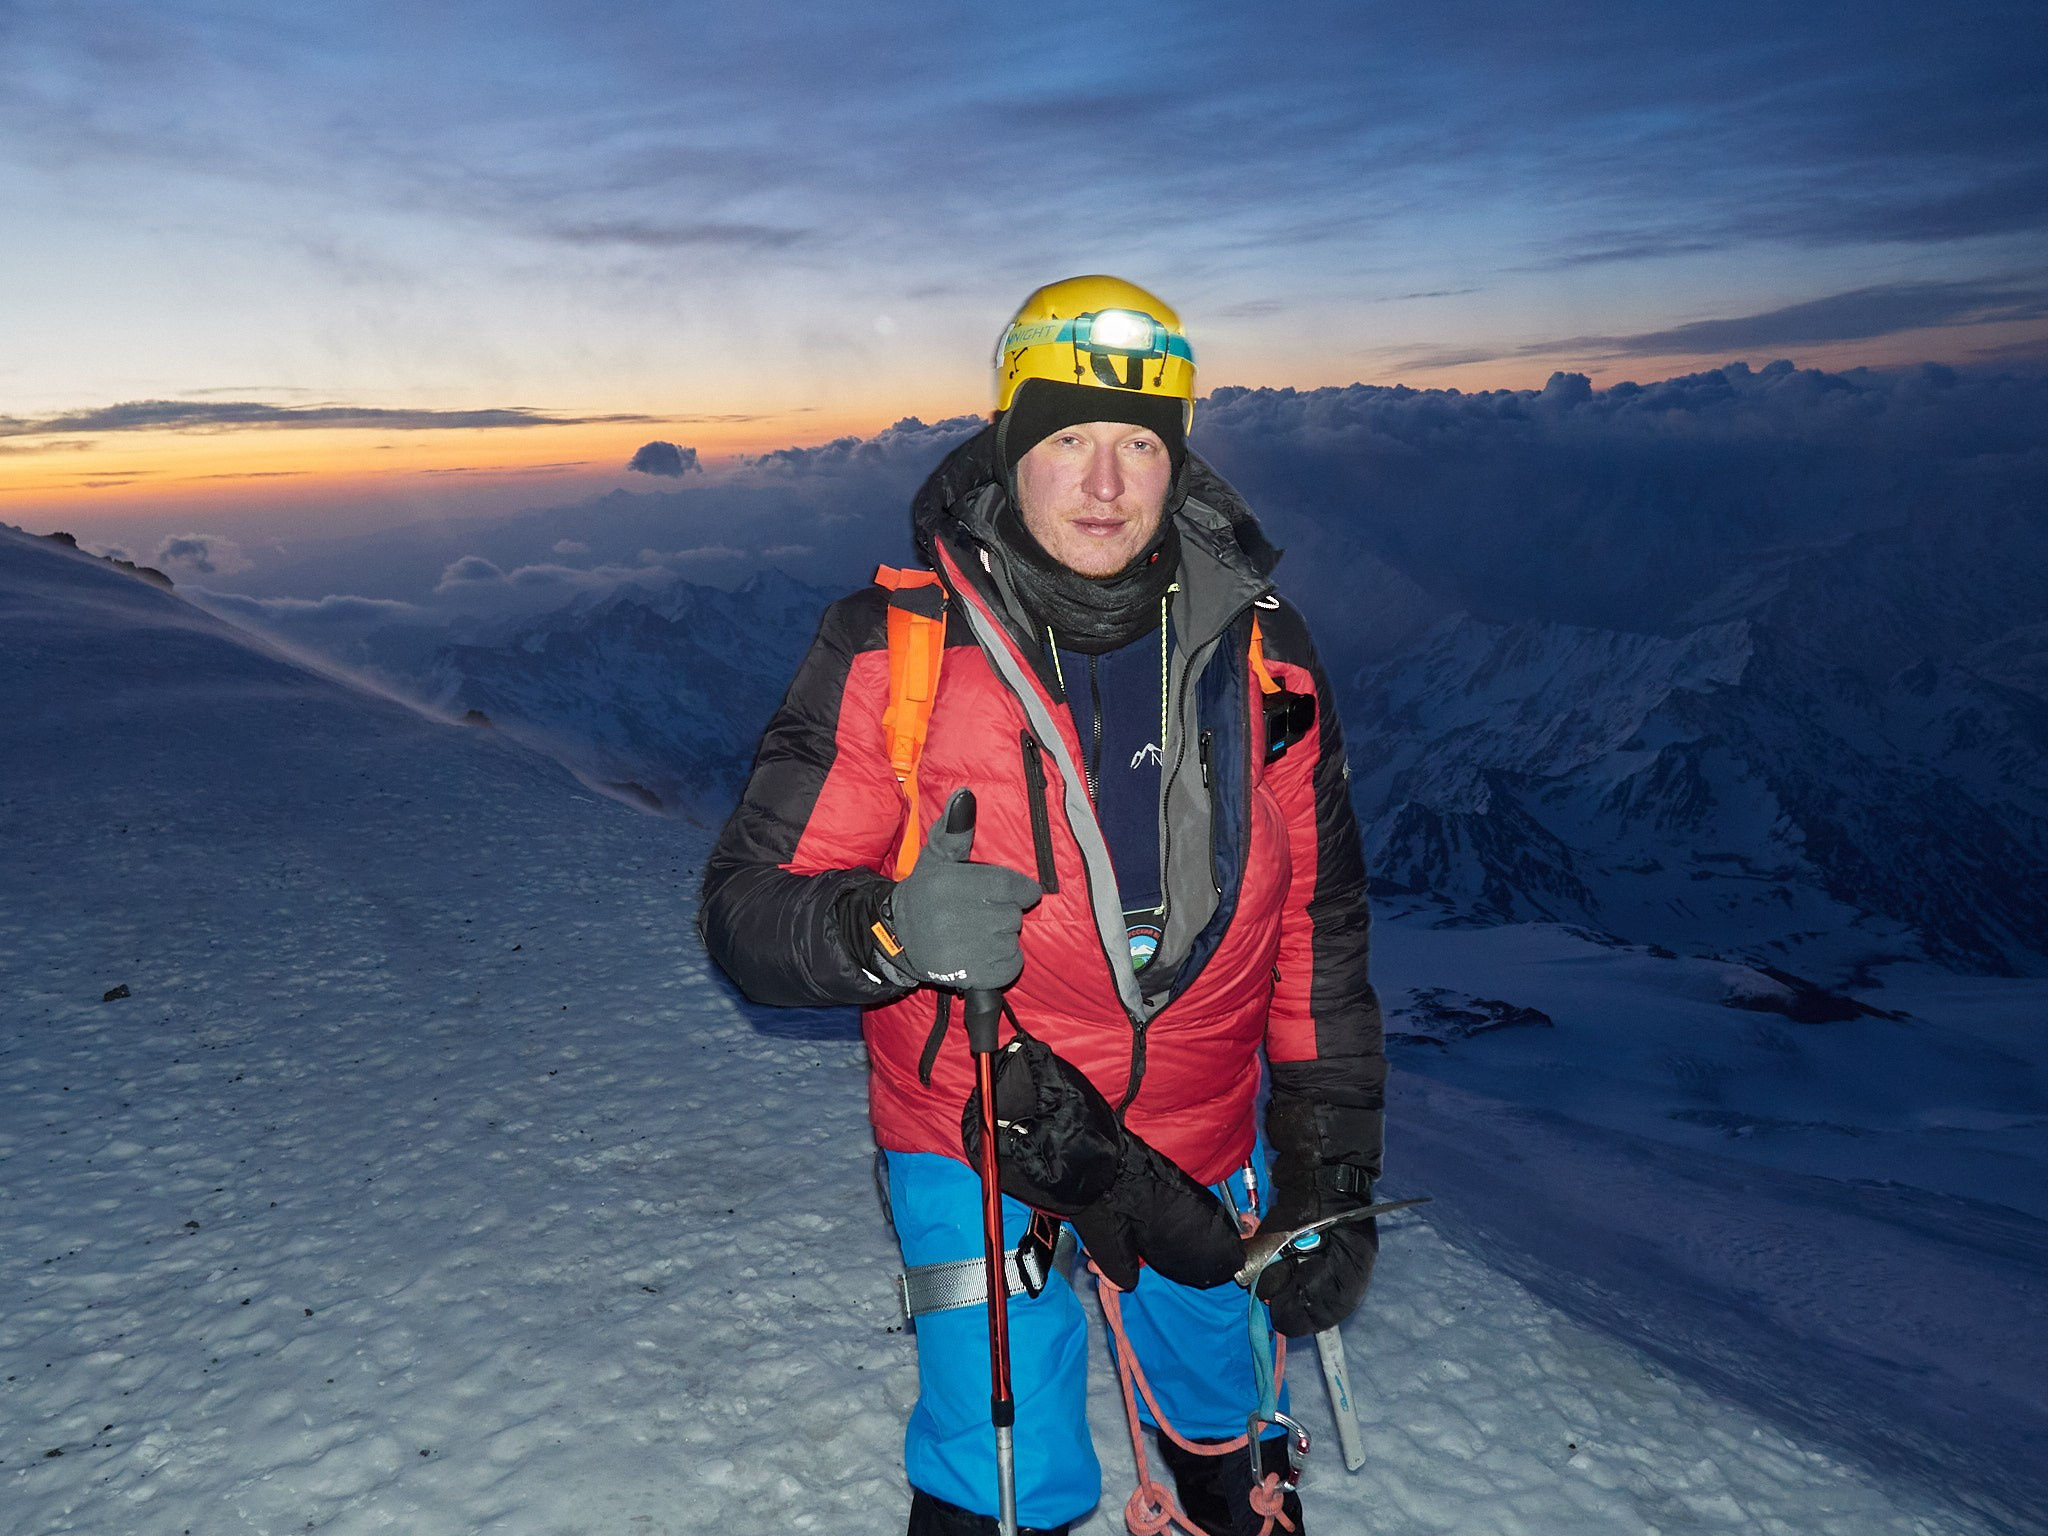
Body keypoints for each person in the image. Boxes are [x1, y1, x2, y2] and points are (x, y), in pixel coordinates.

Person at [701, 276, 1386, 1536]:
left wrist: (1329, 1164)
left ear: (1176, 460)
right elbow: (745, 911)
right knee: (992, 1466)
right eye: (1067, 438)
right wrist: (888, 934)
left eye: (1137, 442)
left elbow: (1315, 935)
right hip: (974, 1120)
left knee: (1218, 1421)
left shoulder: (1266, 658)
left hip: (1196, 1132)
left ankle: (1219, 1494)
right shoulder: (893, 651)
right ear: (1011, 445)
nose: (1106, 483)